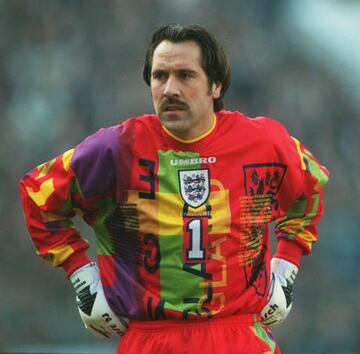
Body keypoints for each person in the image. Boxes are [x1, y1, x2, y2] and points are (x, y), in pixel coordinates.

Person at [19, 24, 330, 354]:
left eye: (185, 75)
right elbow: (38, 195)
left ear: (216, 85)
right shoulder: (116, 149)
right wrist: (82, 276)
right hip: (151, 340)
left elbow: (310, 188)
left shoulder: (265, 143)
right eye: (159, 76)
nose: (169, 89)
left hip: (240, 337)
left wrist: (286, 268)